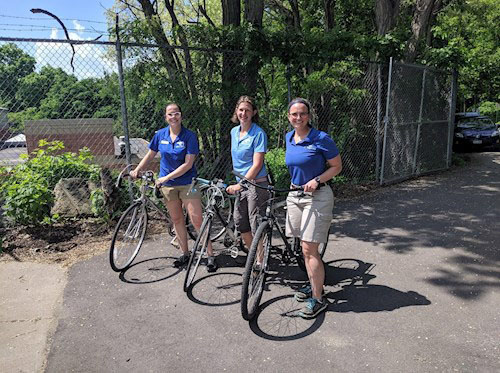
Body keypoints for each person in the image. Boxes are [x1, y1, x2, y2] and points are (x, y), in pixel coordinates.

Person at [130, 103, 217, 272]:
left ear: (181, 116)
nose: (173, 117)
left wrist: (165, 177)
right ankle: (185, 253)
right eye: (170, 114)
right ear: (166, 117)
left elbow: (188, 163)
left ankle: (210, 255)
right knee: (177, 220)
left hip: (187, 183)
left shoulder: (189, 136)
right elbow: (150, 154)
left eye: (176, 113)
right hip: (168, 186)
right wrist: (137, 169)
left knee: (196, 220)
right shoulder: (160, 135)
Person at [285, 97, 342, 319]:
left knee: (309, 249)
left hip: (317, 196)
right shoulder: (289, 138)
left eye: (303, 114)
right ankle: (314, 284)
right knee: (303, 246)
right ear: (289, 116)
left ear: (309, 116)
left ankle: (318, 300)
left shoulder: (321, 138)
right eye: (294, 114)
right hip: (295, 194)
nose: (298, 118)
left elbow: (337, 166)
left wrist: (317, 179)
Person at [226, 96, 269, 253]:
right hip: (241, 185)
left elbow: (257, 164)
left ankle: (260, 261)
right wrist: (239, 184)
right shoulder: (233, 132)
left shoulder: (258, 133)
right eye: (241, 110)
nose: (243, 113)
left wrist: (241, 184)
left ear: (253, 112)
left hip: (256, 184)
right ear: (237, 111)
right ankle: (254, 256)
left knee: (255, 223)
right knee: (240, 222)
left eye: (247, 110)